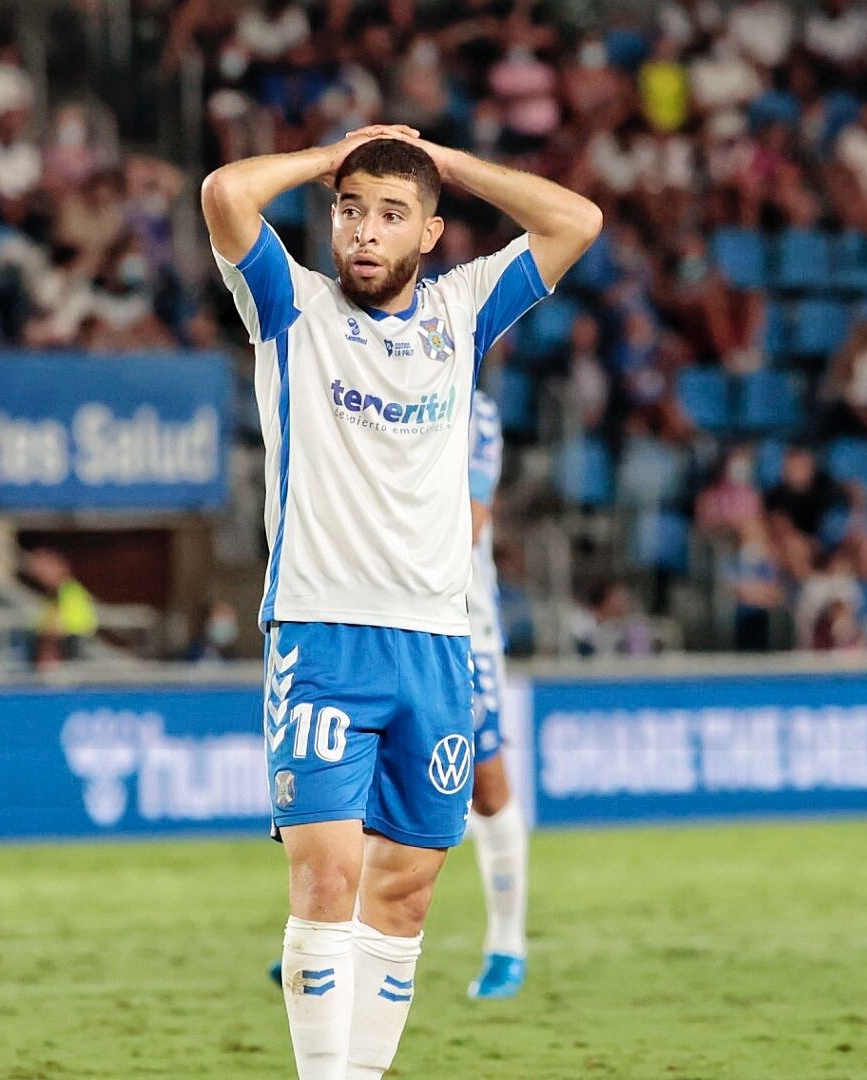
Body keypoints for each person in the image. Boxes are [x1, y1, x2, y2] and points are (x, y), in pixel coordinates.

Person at [202, 124, 599, 1080]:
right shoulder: (290, 306)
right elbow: (224, 194)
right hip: (321, 631)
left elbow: (576, 219)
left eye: (391, 215)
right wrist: (334, 153)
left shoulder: (464, 309)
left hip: (435, 643)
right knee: (326, 876)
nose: (366, 234)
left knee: (408, 893)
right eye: (351, 211)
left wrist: (445, 165)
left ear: (430, 233)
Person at [462, 389, 529, 999]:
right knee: (359, 776)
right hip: (377, 616)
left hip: (463, 624)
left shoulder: (474, 409)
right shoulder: (358, 374)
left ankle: (507, 943)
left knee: (486, 782)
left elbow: (473, 518)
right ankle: (332, 930)